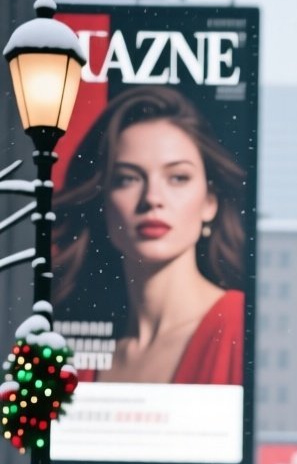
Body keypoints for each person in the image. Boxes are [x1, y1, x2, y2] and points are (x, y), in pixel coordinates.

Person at [54, 85, 246, 386]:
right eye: (127, 179)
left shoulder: (240, 325)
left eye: (178, 177)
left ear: (210, 202)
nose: (152, 198)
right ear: (102, 202)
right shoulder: (68, 349)